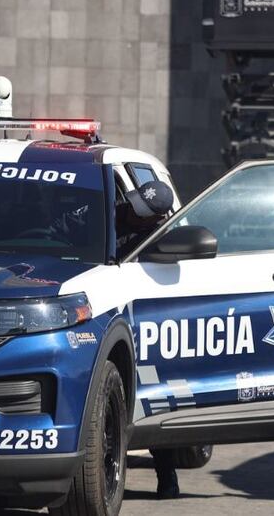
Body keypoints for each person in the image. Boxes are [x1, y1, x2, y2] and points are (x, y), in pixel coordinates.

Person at [113, 180, 183, 499]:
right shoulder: (113, 213)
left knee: (157, 401)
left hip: (147, 324)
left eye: (142, 213)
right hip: (109, 315)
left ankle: (167, 476)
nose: (132, 214)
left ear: (158, 217)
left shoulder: (163, 239)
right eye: (135, 205)